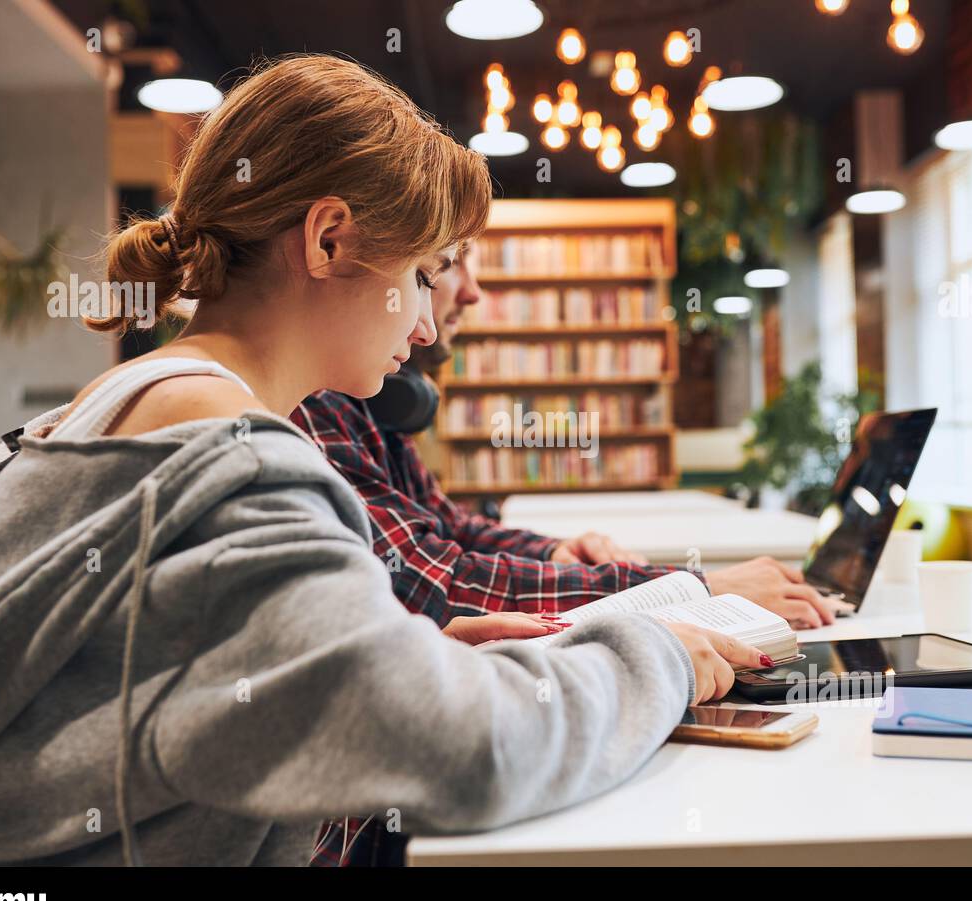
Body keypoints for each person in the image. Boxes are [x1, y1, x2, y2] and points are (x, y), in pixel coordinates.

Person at [0, 55, 759, 867]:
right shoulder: (240, 463)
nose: (425, 325)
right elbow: (467, 755)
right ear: (330, 241)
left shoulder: (85, 422)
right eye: (423, 274)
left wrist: (400, 655)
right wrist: (656, 654)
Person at [292, 244, 846, 630]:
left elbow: (447, 530)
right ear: (328, 245)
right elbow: (432, 586)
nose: (472, 296)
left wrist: (557, 553)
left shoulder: (363, 406)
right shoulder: (310, 405)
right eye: (435, 270)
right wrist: (689, 592)